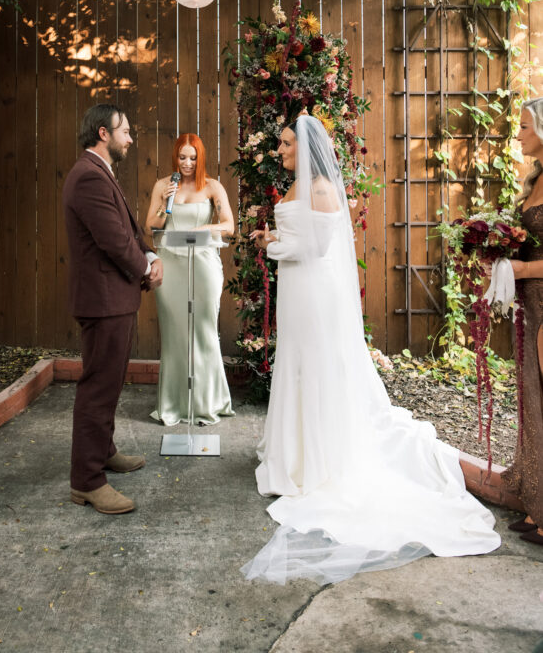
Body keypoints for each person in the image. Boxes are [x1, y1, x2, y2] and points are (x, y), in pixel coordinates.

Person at [242, 114, 500, 584]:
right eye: (279, 144)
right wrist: (273, 237)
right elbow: (299, 239)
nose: (279, 151)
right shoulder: (301, 186)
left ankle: (314, 462)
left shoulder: (319, 188)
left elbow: (316, 248)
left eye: (284, 144)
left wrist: (276, 246)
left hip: (311, 292)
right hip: (297, 292)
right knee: (296, 365)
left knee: (312, 368)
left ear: (303, 147)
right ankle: (293, 456)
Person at [63, 104, 162, 515]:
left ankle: (103, 452)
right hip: (103, 301)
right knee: (99, 387)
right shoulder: (88, 176)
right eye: (125, 131)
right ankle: (87, 481)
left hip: (114, 297)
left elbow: (128, 231)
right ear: (103, 133)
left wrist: (151, 254)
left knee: (110, 382)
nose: (130, 138)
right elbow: (112, 241)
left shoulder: (100, 172)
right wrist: (146, 268)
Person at [145, 133, 235, 425]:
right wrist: (165, 202)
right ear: (175, 156)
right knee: (175, 333)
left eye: (192, 158)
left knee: (204, 329)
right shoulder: (162, 185)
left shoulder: (212, 186)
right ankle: (174, 405)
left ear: (200, 159)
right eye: (182, 157)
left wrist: (203, 227)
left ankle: (207, 403)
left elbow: (229, 226)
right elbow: (152, 228)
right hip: (171, 266)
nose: (186, 163)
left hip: (204, 264)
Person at [494, 98, 543, 546]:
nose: (519, 135)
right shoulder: (536, 177)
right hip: (531, 301)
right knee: (530, 396)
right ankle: (536, 500)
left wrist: (523, 270)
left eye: (525, 127)